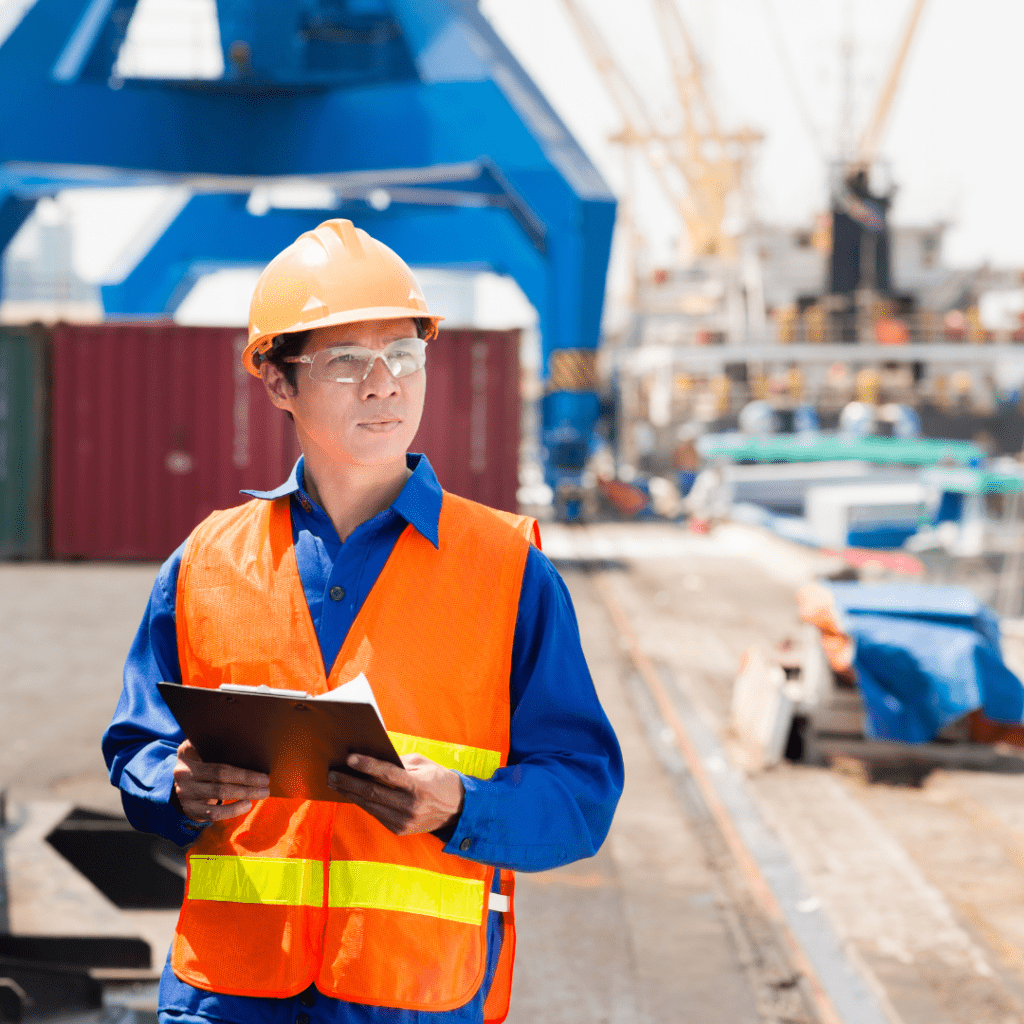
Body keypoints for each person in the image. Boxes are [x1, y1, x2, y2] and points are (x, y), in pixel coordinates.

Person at [102, 218, 623, 1024]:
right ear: (277, 382)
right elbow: (137, 747)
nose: (385, 385)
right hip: (228, 996)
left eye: (404, 355)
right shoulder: (204, 563)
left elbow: (582, 791)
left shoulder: (509, 571)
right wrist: (173, 783)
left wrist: (461, 806)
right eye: (346, 360)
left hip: (411, 998)